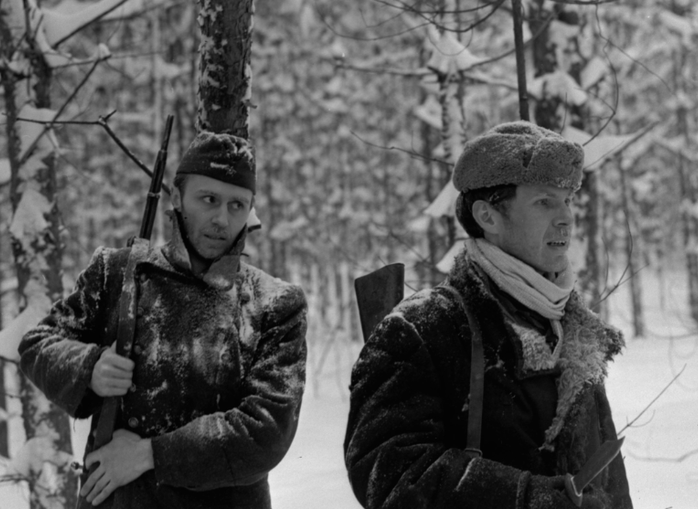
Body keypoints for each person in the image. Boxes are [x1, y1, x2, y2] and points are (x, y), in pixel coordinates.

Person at [344, 121, 632, 509]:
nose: (566, 217)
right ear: (488, 216)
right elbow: (390, 472)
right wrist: (527, 499)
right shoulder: (423, 329)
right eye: (544, 202)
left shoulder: (571, 330)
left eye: (568, 200)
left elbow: (610, 487)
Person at [19, 131, 308, 509]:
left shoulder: (275, 304)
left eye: (237, 205)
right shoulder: (116, 273)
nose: (222, 218)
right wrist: (90, 368)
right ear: (177, 198)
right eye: (209, 199)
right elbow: (37, 344)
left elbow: (266, 431)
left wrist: (148, 454)